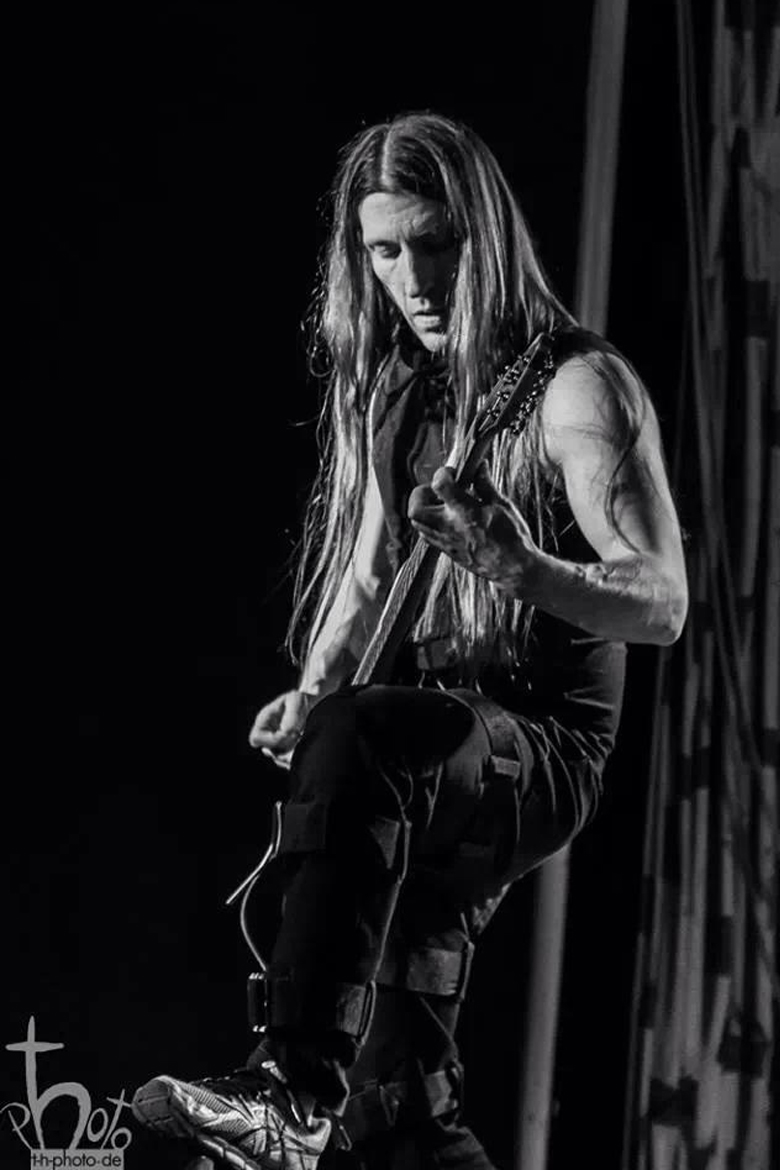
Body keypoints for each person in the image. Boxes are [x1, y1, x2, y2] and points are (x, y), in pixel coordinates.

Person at [131, 112, 688, 1170]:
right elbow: (370, 568)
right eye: (386, 251)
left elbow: (662, 601)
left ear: (486, 236)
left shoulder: (576, 388)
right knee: (399, 1105)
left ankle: (291, 1091)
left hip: (536, 750)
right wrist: (313, 692)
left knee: (370, 734)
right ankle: (337, 1104)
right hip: (423, 766)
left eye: (437, 245)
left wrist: (522, 568)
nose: (415, 279)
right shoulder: (401, 389)